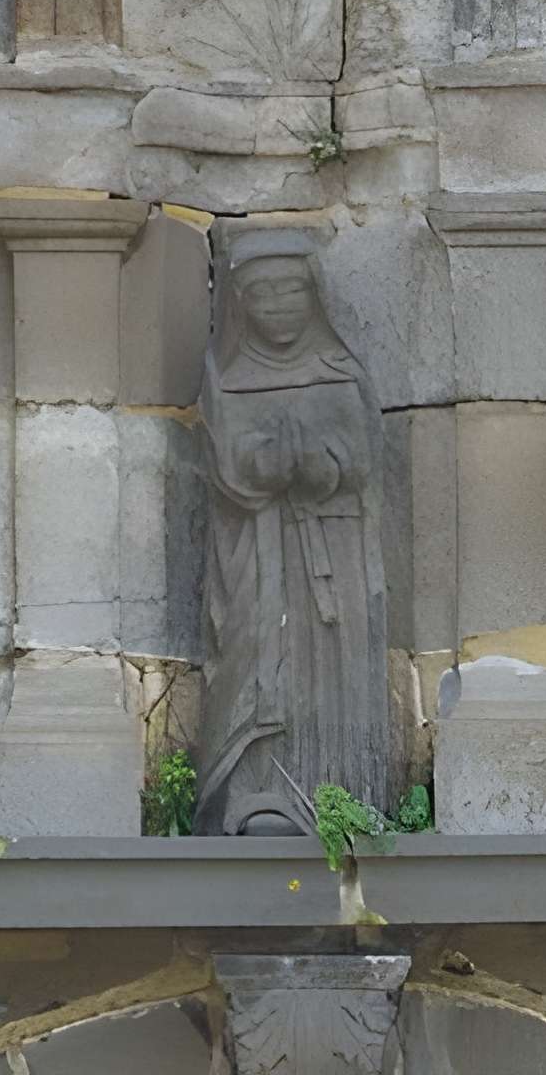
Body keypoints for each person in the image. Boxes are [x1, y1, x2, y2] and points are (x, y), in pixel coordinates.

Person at [196, 225, 392, 837]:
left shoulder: (340, 372)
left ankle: (340, 793)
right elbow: (226, 467)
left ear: (314, 295)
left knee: (335, 667)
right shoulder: (226, 377)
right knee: (256, 654)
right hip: (259, 548)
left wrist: (325, 463)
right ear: (240, 304)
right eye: (263, 294)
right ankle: (256, 794)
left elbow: (364, 458)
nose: (279, 305)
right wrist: (268, 462)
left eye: (292, 290)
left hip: (336, 543)